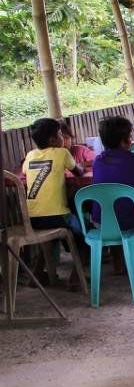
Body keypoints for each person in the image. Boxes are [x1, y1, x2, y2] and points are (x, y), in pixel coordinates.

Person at [22, 118, 85, 286]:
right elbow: (78, 172)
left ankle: (37, 273)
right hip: (58, 216)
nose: (62, 138)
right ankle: (76, 278)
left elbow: (26, 173)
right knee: (86, 235)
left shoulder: (29, 155)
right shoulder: (62, 153)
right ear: (52, 139)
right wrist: (82, 166)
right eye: (59, 134)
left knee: (51, 237)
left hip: (33, 219)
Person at [92, 116, 134, 234]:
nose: (131, 140)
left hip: (101, 222)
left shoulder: (98, 161)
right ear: (124, 142)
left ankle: (118, 252)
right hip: (129, 222)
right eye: (129, 136)